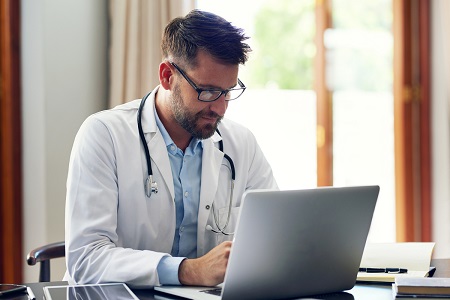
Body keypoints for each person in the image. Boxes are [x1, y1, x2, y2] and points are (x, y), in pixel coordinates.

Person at [64, 9, 278, 288]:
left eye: (227, 91)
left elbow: (274, 233)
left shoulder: (241, 144)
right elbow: (86, 259)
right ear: (167, 76)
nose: (220, 108)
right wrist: (188, 270)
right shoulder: (103, 135)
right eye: (208, 91)